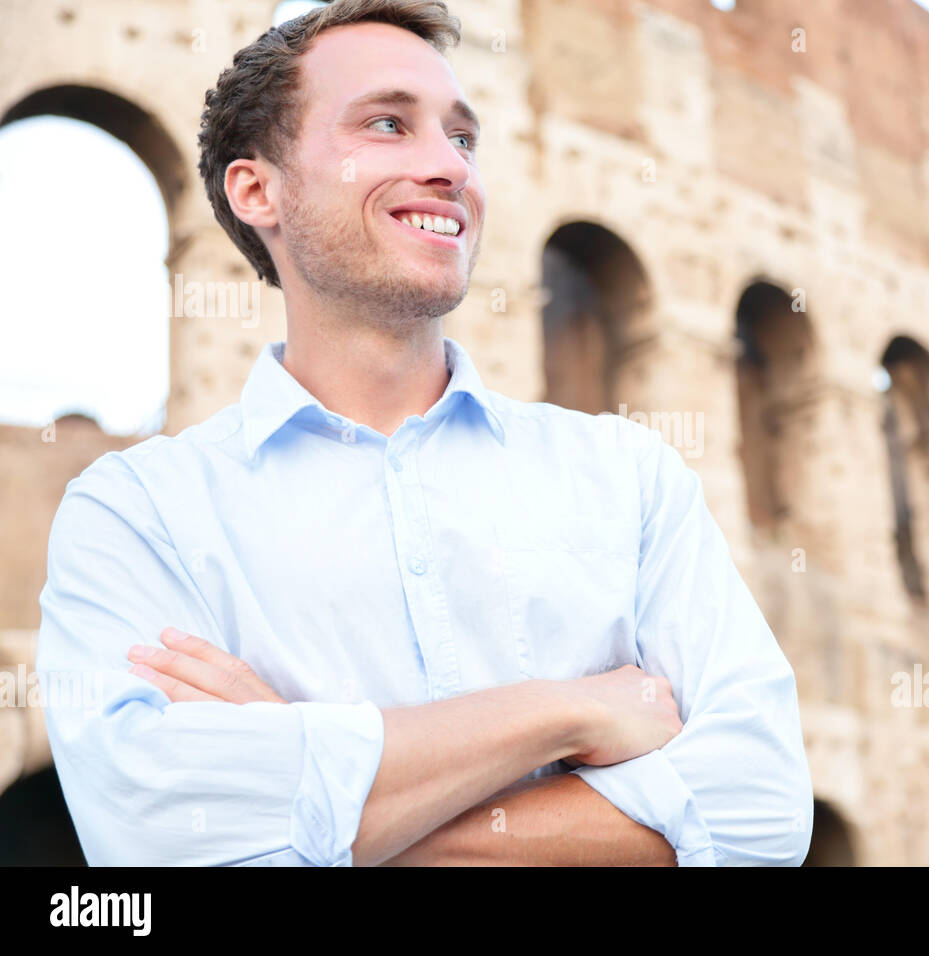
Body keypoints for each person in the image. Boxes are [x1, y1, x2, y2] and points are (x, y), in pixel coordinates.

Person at [36, 0, 812, 866]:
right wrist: (564, 712)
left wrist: (315, 790)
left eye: (462, 138)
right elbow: (160, 836)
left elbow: (763, 811)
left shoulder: (629, 477)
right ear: (257, 190)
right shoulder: (137, 514)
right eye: (387, 124)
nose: (447, 166)